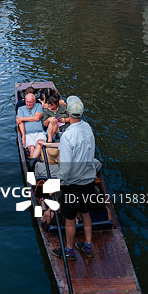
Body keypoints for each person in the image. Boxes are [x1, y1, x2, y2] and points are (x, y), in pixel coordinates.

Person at [52, 95, 98, 261]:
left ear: (68, 112)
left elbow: (65, 168)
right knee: (85, 212)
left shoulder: (67, 136)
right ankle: (88, 245)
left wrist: (56, 183)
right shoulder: (88, 128)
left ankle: (69, 251)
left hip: (73, 185)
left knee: (70, 217)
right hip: (89, 181)